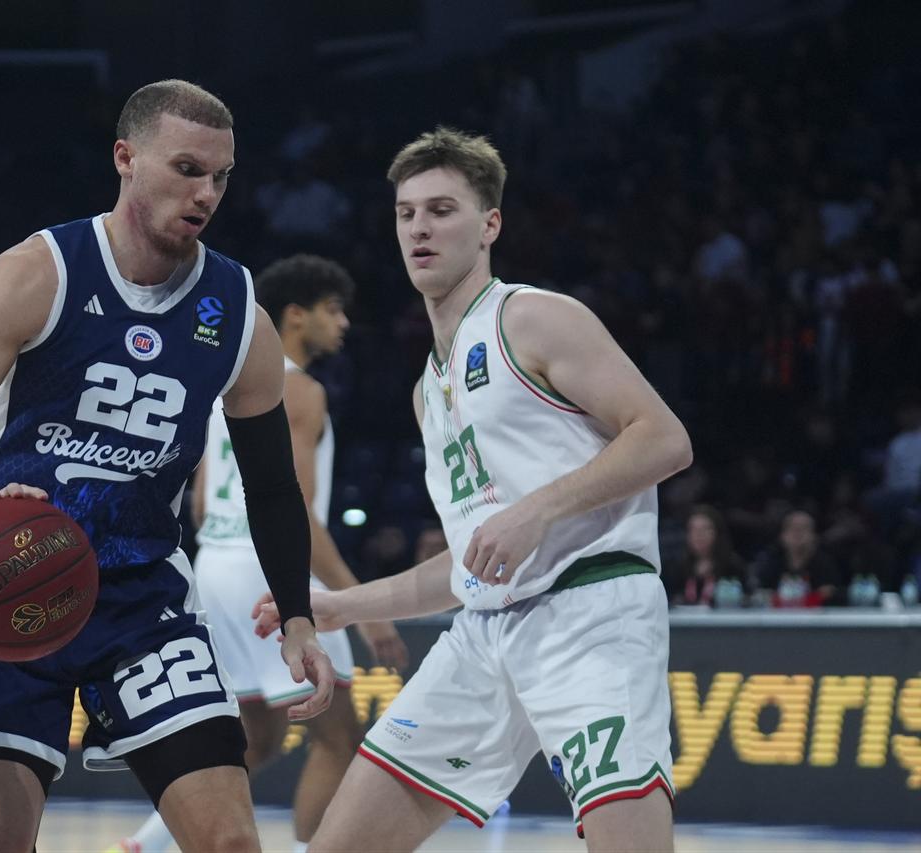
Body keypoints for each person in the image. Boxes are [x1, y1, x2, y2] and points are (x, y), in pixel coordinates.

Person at [0, 80, 334, 853]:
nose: (207, 193)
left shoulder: (237, 313)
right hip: (12, 590)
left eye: (222, 176)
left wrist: (297, 615)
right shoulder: (39, 271)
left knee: (232, 843)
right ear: (125, 158)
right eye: (188, 168)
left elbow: (273, 485)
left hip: (140, 602)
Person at [256, 127, 693, 851]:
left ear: (489, 224)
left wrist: (537, 509)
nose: (420, 228)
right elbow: (471, 561)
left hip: (590, 613)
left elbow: (664, 437)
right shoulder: (429, 389)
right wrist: (341, 604)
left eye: (441, 209)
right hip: (485, 635)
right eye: (406, 213)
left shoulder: (534, 316)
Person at [112, 255, 410, 853]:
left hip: (213, 566)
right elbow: (294, 511)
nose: (344, 323)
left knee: (260, 736)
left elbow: (197, 504)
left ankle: (143, 845)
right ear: (295, 317)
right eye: (332, 310)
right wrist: (363, 605)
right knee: (340, 742)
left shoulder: (223, 386)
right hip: (264, 571)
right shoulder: (298, 390)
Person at [663, 505, 746, 606]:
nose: (699, 535)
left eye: (705, 529)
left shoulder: (732, 566)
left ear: (717, 533)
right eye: (693, 529)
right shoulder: (676, 567)